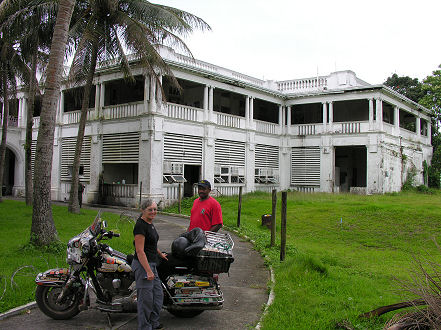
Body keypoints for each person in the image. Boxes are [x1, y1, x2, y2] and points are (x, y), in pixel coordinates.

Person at [131, 199, 167, 330]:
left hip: (152, 263)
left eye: (155, 209)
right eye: (150, 209)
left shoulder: (150, 223)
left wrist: (159, 254)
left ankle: (153, 322)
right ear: (143, 210)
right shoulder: (140, 226)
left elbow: (151, 244)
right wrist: (148, 271)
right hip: (143, 266)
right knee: (145, 300)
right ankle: (145, 326)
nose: (153, 212)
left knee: (158, 296)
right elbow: (140, 250)